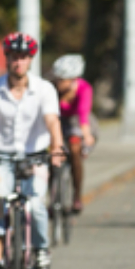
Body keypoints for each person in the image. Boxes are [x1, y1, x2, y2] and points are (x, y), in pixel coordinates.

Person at [0, 32, 64, 269]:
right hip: (1, 157)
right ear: (7, 59)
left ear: (30, 60)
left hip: (36, 156)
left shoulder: (44, 89)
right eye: (13, 57)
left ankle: (41, 249)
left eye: (23, 57)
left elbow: (52, 120)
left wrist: (57, 147)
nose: (18, 62)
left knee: (35, 204)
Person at [50, 54, 96, 213]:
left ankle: (77, 196)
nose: (59, 83)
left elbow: (83, 115)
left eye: (63, 80)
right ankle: (53, 198)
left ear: (73, 79)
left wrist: (87, 137)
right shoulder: (51, 89)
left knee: (75, 149)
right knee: (51, 156)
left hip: (78, 122)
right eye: (57, 79)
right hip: (58, 122)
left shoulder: (84, 88)